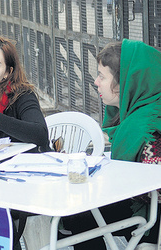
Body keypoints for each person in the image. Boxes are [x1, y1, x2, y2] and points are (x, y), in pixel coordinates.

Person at [62, 40, 161, 249]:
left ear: (125, 82)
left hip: (150, 220)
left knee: (78, 216)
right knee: (74, 215)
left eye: (102, 76)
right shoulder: (136, 115)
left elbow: (152, 188)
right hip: (141, 207)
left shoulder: (148, 129)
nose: (96, 82)